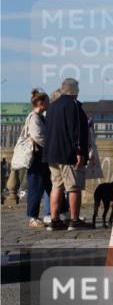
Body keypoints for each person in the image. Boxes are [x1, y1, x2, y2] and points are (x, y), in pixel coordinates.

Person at [45, 78, 92, 231]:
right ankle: (74, 220)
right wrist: (79, 151)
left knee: (56, 186)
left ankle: (55, 220)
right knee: (73, 187)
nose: (79, 91)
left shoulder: (52, 106)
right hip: (68, 153)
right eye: (78, 88)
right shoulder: (73, 105)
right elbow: (76, 131)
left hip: (52, 153)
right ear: (74, 90)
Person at [24, 90, 52, 227]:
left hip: (43, 156)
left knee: (50, 185)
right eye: (47, 101)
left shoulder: (41, 117)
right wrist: (51, 147)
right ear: (41, 103)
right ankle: (32, 217)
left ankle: (60, 212)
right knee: (36, 186)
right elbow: (38, 137)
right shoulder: (34, 117)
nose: (49, 104)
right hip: (37, 157)